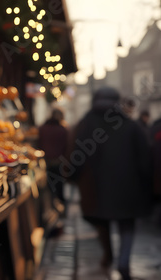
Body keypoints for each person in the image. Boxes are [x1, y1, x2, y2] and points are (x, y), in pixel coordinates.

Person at [69, 87, 152, 280]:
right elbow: (145, 160)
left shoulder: (85, 125)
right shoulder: (132, 126)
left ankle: (109, 255)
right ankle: (123, 261)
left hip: (96, 188)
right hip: (128, 186)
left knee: (102, 221)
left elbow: (77, 156)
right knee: (127, 224)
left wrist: (74, 176)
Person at [38, 108, 68, 215]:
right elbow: (66, 146)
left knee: (48, 187)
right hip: (58, 162)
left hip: (44, 162)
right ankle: (61, 208)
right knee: (59, 185)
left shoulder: (42, 128)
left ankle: (51, 208)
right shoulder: (62, 130)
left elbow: (39, 143)